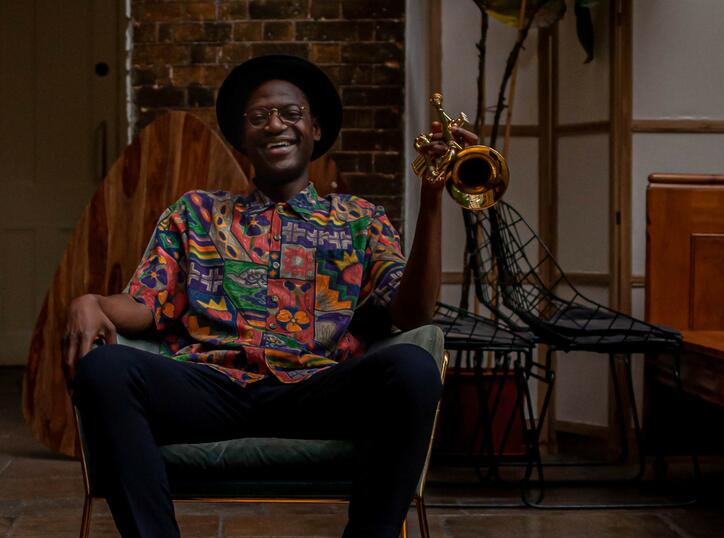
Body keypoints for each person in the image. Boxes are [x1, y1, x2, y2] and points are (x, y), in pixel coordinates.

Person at [63, 54, 478, 537]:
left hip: (315, 388)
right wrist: (90, 301)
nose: (275, 125)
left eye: (290, 114)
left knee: (413, 367)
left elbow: (414, 313)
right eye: (259, 118)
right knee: (104, 370)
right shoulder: (195, 214)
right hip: (211, 387)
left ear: (315, 129)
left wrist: (431, 204)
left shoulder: (359, 219)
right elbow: (144, 304)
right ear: (243, 138)